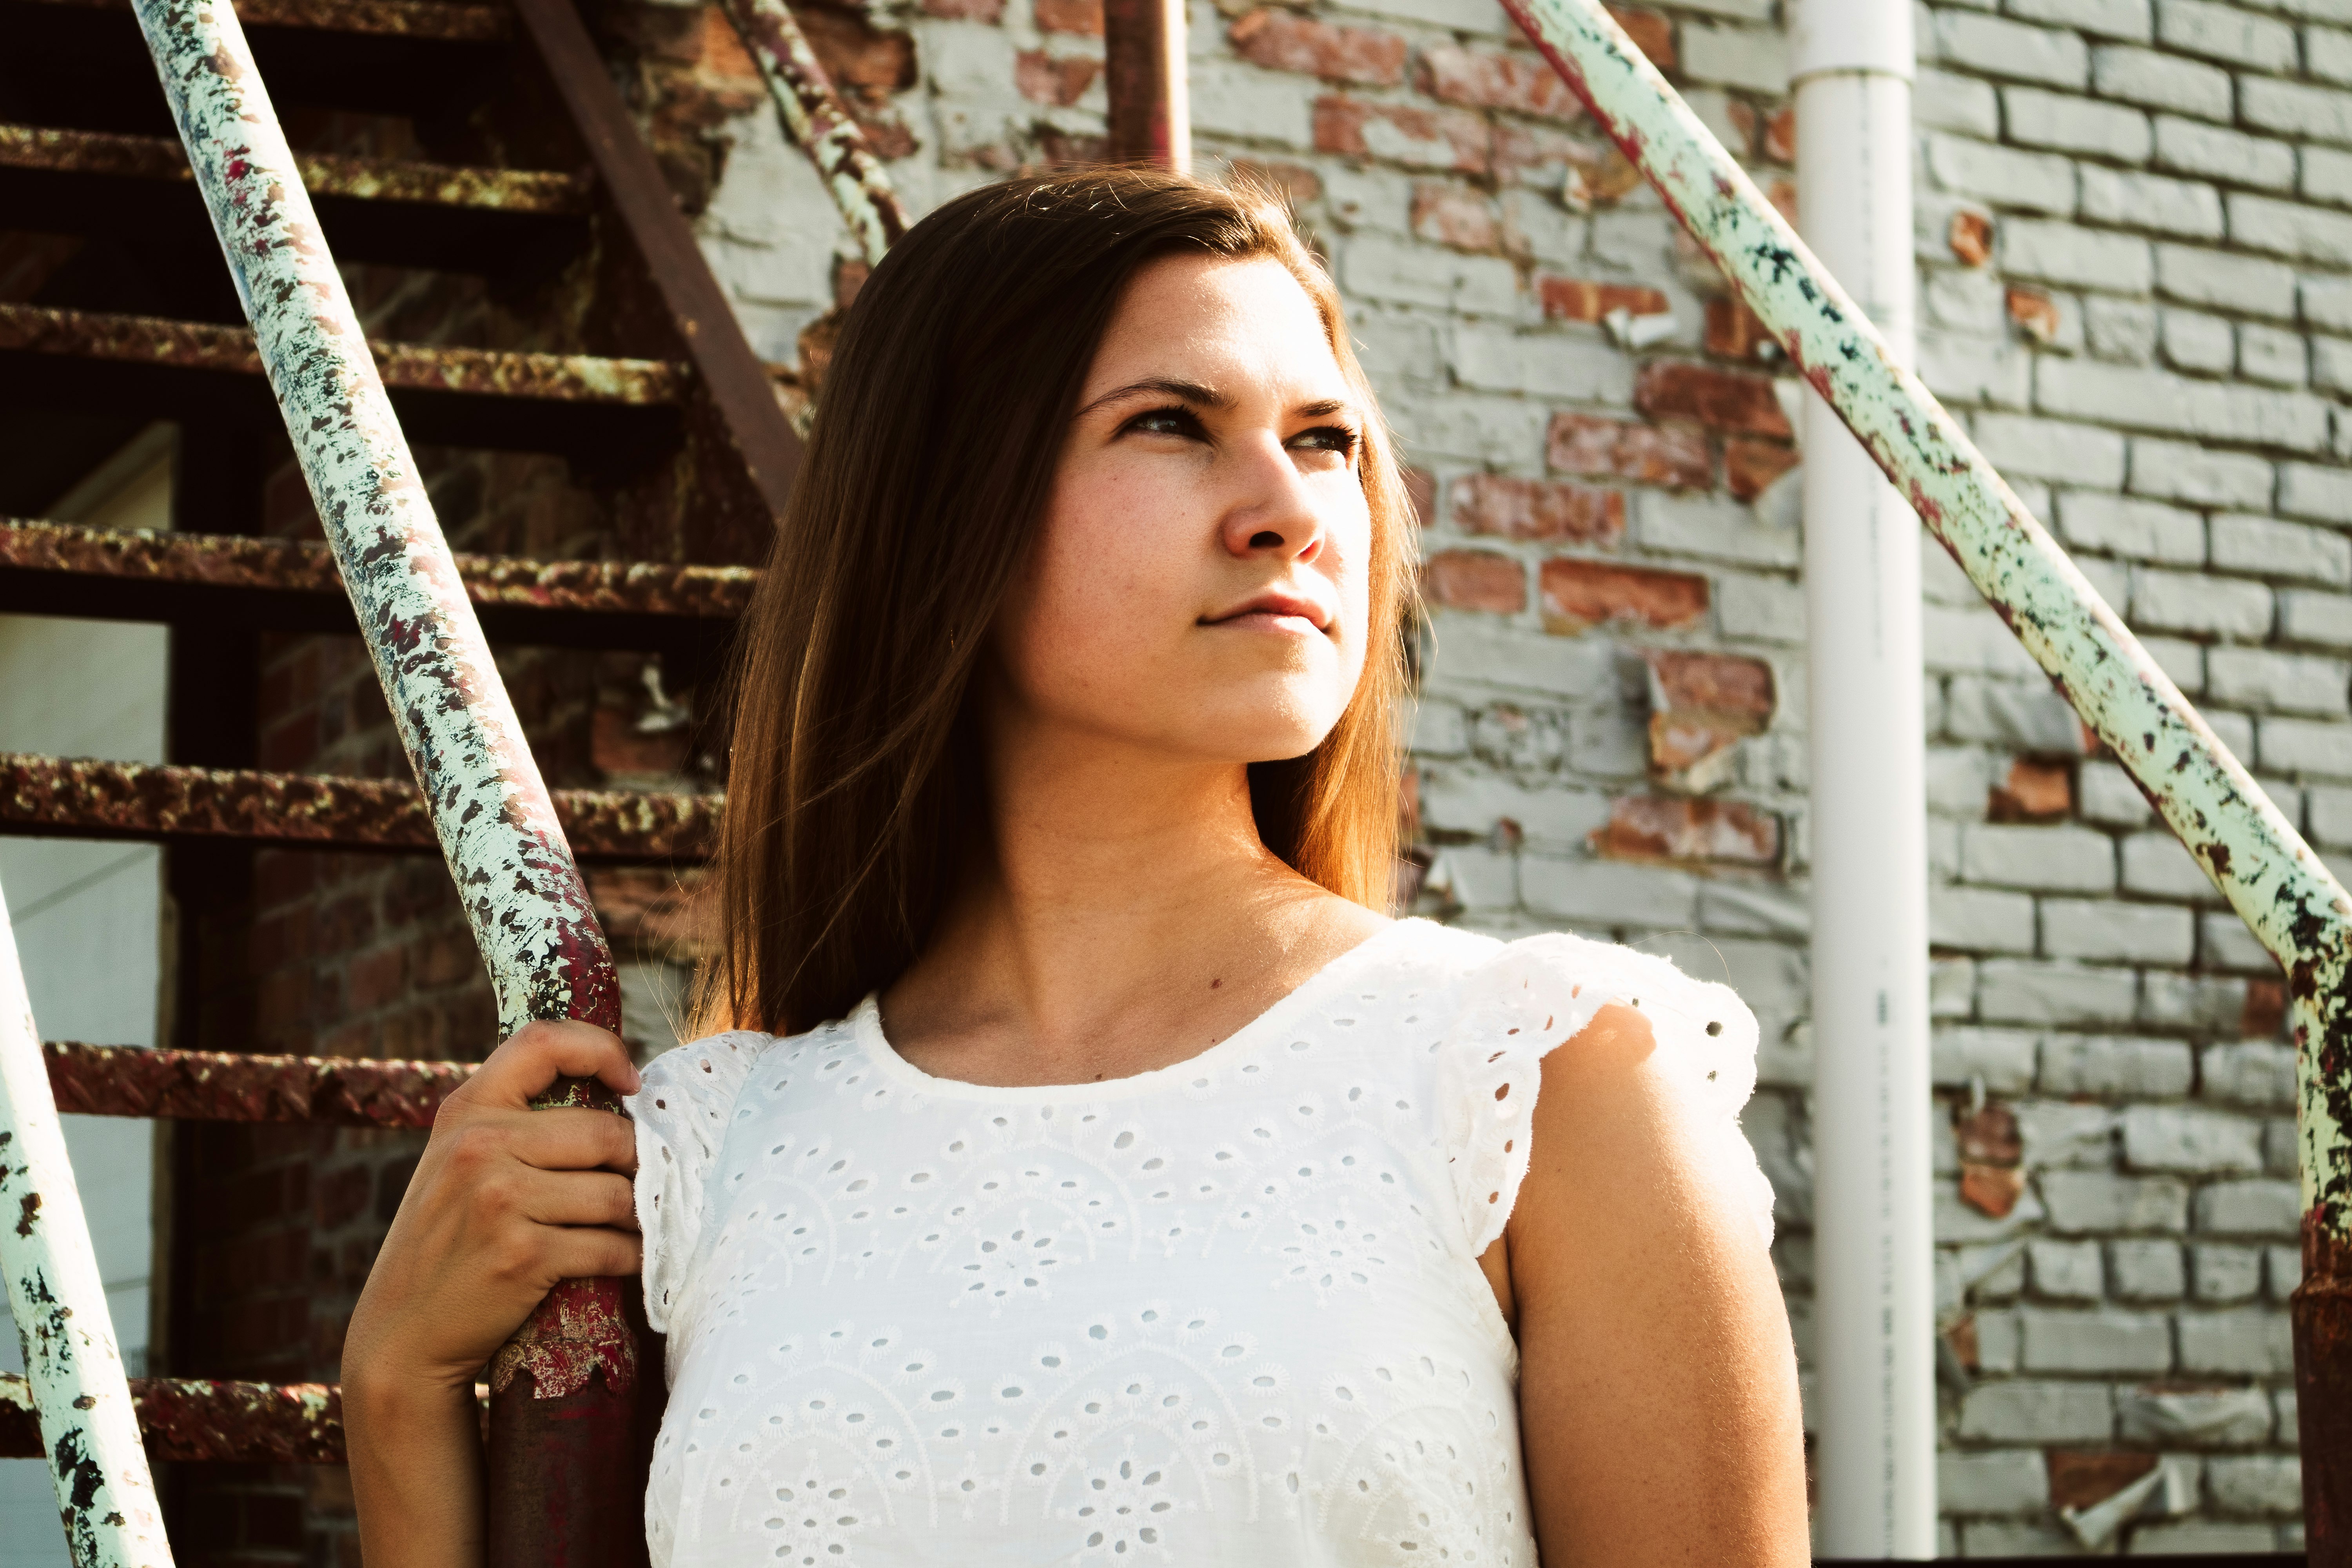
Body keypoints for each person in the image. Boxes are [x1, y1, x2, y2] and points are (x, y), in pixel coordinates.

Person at [343, 167, 1807, 1567]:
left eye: (1326, 439)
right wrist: (399, 1391)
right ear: (943, 508)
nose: (1291, 509)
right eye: (1173, 422)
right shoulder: (709, 1147)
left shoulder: (1541, 1080)